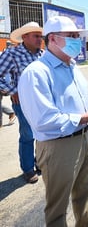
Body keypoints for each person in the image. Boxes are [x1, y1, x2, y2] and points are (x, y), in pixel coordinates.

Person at [18, 15, 88, 227]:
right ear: (53, 39)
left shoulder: (72, 66)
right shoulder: (36, 73)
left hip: (84, 139)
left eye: (78, 36)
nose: (77, 40)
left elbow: (84, 98)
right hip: (57, 147)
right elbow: (44, 121)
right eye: (72, 36)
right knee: (58, 207)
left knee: (83, 195)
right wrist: (85, 117)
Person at [0, 21, 43, 183]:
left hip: (41, 102)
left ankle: (40, 162)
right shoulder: (12, 54)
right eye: (36, 36)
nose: (40, 39)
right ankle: (27, 168)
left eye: (41, 36)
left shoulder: (42, 54)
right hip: (22, 103)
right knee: (27, 135)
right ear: (24, 37)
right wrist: (12, 91)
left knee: (42, 133)